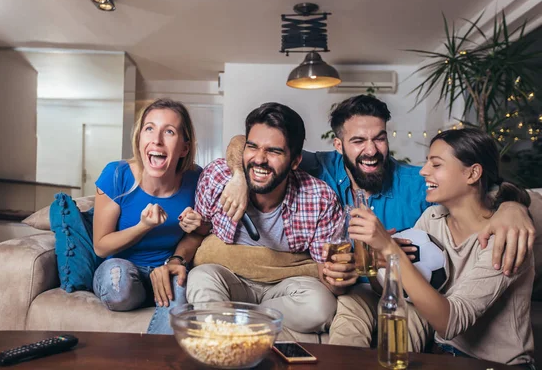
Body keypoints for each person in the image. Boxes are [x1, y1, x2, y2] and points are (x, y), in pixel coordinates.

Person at [219, 94, 535, 348]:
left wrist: (513, 206)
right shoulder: (319, 170)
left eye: (379, 139)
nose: (371, 150)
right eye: (358, 141)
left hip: (409, 294)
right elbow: (248, 145)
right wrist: (238, 176)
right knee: (346, 310)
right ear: (339, 146)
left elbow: (484, 188)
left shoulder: (419, 186)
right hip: (350, 292)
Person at [348, 128, 534, 367]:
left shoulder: (507, 236)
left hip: (498, 365)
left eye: (436, 165)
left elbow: (451, 323)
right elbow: (392, 286)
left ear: (473, 173)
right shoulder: (433, 218)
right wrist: (381, 262)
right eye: (427, 163)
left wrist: (389, 248)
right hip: (443, 355)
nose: (423, 172)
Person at [187, 102, 345, 335]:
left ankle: (236, 318)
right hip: (230, 279)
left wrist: (340, 275)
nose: (259, 159)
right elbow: (201, 230)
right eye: (253, 147)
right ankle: (235, 323)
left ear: (295, 161)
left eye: (274, 151)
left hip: (285, 288)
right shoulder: (217, 177)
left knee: (321, 306)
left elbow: (326, 271)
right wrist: (193, 223)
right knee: (201, 277)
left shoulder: (319, 197)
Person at [92, 98, 209, 334]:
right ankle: (148, 295)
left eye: (169, 131)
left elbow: (200, 234)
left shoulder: (196, 179)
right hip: (120, 265)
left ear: (184, 147)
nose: (156, 140)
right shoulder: (117, 175)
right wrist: (142, 226)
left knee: (180, 293)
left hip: (165, 268)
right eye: (149, 128)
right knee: (119, 287)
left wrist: (199, 227)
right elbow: (101, 247)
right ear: (139, 137)